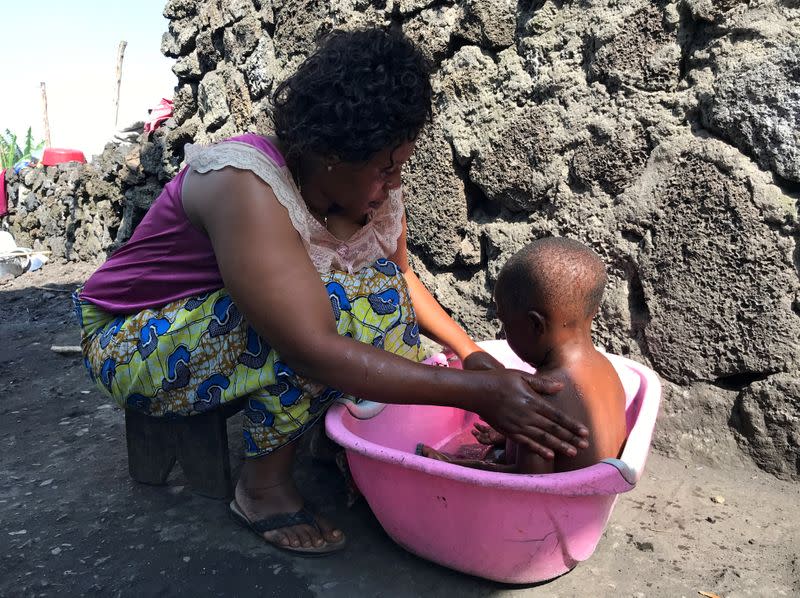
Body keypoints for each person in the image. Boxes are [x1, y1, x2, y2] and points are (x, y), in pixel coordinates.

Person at [72, 29, 588, 555]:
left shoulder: (372, 192)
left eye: (399, 165)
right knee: (333, 310)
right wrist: (478, 396)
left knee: (376, 294)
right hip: (133, 340)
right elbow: (308, 344)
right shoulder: (244, 183)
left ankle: (332, 439)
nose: (394, 182)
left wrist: (471, 355)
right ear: (331, 154)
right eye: (384, 168)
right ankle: (263, 488)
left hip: (220, 330)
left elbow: (401, 281)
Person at [419, 237, 627, 474]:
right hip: (590, 499)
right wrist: (509, 438)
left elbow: (526, 486)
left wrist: (455, 465)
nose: (503, 331)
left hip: (549, 509)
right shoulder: (608, 371)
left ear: (535, 325)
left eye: (504, 322)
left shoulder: (541, 402)